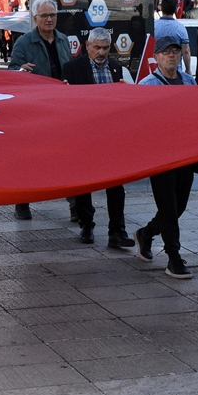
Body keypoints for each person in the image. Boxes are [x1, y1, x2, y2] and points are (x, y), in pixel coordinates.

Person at [133, 36, 198, 277]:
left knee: (178, 207)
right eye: (166, 52)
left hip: (185, 155)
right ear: (157, 57)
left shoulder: (190, 83)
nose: (171, 55)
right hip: (160, 157)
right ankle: (174, 257)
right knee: (169, 209)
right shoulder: (147, 85)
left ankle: (146, 233)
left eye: (175, 51)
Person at [63, 29, 134, 248]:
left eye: (105, 48)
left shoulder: (117, 69)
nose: (101, 52)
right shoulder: (72, 69)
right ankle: (87, 225)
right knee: (85, 183)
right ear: (87, 46)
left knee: (116, 185)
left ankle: (117, 231)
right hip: (85, 135)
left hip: (112, 136)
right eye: (97, 47)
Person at [8, 0, 72, 220]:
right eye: (44, 16)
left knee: (67, 157)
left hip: (61, 108)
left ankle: (76, 205)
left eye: (52, 15)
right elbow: (11, 71)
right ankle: (22, 202)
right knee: (28, 158)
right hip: (33, 110)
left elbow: (69, 68)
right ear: (35, 19)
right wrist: (20, 70)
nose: (49, 19)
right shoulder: (24, 43)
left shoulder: (63, 40)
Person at [152, 0, 192, 73]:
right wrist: (188, 69)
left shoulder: (153, 26)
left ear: (161, 8)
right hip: (176, 72)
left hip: (156, 70)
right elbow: (186, 51)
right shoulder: (181, 28)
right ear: (175, 9)